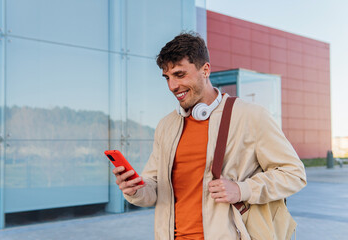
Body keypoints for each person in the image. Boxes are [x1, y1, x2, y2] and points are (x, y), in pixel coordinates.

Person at [112, 32, 306, 240]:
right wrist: (134, 189)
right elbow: (154, 188)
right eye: (167, 78)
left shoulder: (250, 115)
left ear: (205, 70)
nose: (172, 86)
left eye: (179, 75)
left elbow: (294, 174)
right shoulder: (166, 126)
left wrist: (243, 189)